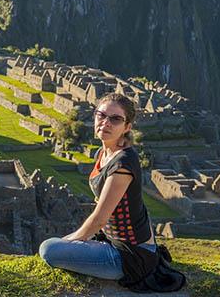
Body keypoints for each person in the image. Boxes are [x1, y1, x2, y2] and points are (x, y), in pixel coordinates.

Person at [39, 93, 186, 292]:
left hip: (129, 256)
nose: (106, 123)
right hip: (114, 241)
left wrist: (68, 241)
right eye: (101, 115)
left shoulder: (122, 164)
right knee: (60, 243)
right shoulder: (104, 153)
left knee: (49, 249)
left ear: (127, 127)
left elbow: (100, 218)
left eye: (115, 119)